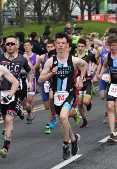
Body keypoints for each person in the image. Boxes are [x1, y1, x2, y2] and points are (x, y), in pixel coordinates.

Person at [38, 32, 87, 160]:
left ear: (67, 45)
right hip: (56, 95)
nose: (60, 45)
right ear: (54, 44)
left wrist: (81, 79)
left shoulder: (73, 59)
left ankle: (66, 145)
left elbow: (84, 64)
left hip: (70, 93)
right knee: (64, 120)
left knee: (64, 117)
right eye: (58, 43)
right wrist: (50, 74)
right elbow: (40, 79)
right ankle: (73, 139)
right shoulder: (50, 61)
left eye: (63, 43)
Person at [0, 36, 33, 158]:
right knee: (5, 120)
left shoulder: (22, 59)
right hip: (1, 94)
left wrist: (30, 82)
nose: (9, 46)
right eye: (7, 44)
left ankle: (5, 147)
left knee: (9, 121)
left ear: (17, 45)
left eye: (12, 44)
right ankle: (20, 110)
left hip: (15, 92)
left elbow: (30, 71)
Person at [74, 39, 99, 128]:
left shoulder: (89, 55)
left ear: (85, 47)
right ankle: (85, 121)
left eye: (82, 46)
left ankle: (89, 103)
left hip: (87, 81)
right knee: (80, 103)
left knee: (85, 102)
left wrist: (95, 73)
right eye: (78, 46)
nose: (80, 48)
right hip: (78, 81)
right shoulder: (74, 56)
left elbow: (98, 63)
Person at [33, 39, 56, 134]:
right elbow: (33, 69)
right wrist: (32, 81)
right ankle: (54, 113)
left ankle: (51, 120)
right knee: (47, 107)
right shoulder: (42, 57)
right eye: (48, 47)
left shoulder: (58, 57)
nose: (49, 48)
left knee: (52, 98)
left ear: (54, 47)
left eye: (51, 47)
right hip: (45, 83)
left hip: (54, 82)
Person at [23, 40, 38, 124]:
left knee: (30, 98)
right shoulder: (21, 56)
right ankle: (29, 111)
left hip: (32, 79)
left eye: (28, 45)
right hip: (23, 79)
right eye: (25, 45)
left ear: (31, 46)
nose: (26, 47)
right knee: (24, 101)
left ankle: (30, 115)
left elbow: (33, 70)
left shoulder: (36, 56)